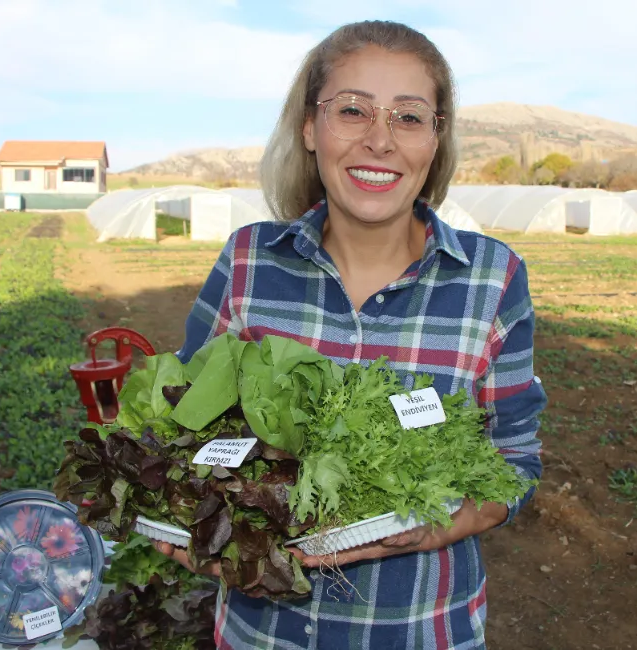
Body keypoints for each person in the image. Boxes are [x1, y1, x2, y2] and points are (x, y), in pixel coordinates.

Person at [157, 19, 546, 649]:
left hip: (420, 633)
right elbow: (185, 431)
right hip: (262, 635)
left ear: (436, 141)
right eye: (353, 110)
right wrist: (190, 524)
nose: (380, 140)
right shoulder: (249, 262)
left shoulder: (492, 279)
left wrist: (437, 528)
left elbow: (516, 463)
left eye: (409, 117)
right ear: (310, 128)